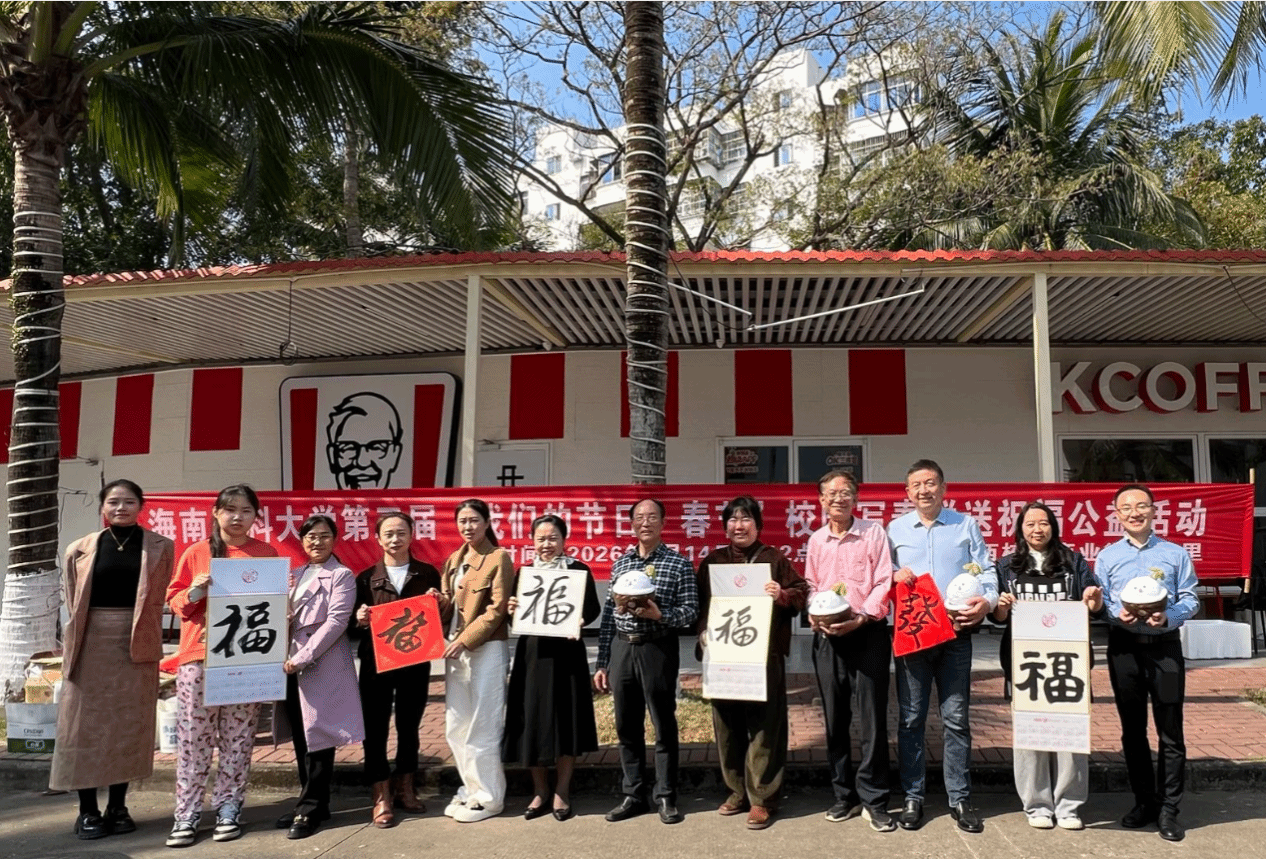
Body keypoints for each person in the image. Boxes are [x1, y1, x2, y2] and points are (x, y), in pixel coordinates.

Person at [51, 479, 175, 839]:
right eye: (114, 502)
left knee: (128, 725)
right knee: (82, 726)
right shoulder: (79, 548)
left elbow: (158, 596)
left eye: (129, 502)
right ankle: (87, 811)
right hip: (90, 641)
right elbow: (73, 601)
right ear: (103, 507)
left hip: (137, 641)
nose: (121, 508)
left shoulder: (161, 546)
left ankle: (118, 807)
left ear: (141, 506)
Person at [164, 485, 279, 848]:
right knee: (193, 739)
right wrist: (196, 591)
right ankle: (187, 813)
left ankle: (229, 807)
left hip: (246, 659)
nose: (237, 517)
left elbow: (271, 609)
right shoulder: (197, 553)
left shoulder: (266, 553)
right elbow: (175, 601)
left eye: (246, 510)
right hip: (199, 657)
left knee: (239, 738)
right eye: (230, 509)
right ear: (216, 513)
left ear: (255, 516)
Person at [888, 459, 997, 834]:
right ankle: (912, 797)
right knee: (911, 719)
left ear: (944, 488)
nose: (924, 490)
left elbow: (987, 571)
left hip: (956, 634)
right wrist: (893, 575)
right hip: (914, 636)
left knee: (956, 718)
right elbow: (879, 574)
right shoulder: (895, 530)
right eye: (916, 485)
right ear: (907, 492)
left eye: (931, 483)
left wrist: (987, 602)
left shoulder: (965, 525)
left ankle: (960, 798)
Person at [696, 495, 808, 831]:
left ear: (757, 525)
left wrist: (782, 594)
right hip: (723, 655)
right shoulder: (713, 562)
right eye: (733, 519)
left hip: (763, 655)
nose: (739, 525)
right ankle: (736, 791)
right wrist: (702, 633)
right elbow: (701, 606)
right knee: (727, 726)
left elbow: (802, 593)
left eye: (746, 519)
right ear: (725, 526)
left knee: (765, 726)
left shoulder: (774, 559)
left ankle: (762, 798)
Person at [1095, 483, 1199, 843]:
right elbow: (1102, 601)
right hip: (1124, 648)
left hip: (1164, 648)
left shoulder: (1175, 554)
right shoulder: (1107, 557)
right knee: (1133, 729)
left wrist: (1169, 616)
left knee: (1171, 731)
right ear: (1117, 515)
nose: (1134, 513)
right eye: (1126, 508)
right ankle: (1144, 802)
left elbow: (1191, 599)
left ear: (1154, 511)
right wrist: (1114, 614)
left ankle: (1169, 809)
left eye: (1141, 506)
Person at [991, 501, 1103, 830]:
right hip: (1025, 662)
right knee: (1031, 731)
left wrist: (1093, 600)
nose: (1037, 529)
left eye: (1044, 523)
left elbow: (1093, 603)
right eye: (1030, 524)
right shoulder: (1006, 565)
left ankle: (1069, 805)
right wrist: (1002, 606)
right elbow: (997, 617)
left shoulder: (1073, 561)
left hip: (1069, 660)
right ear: (1020, 530)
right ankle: (1037, 804)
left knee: (1070, 733)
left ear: (1053, 527)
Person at [594, 497, 699, 825]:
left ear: (663, 523)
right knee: (626, 724)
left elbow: (691, 612)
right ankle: (634, 794)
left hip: (658, 647)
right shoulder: (621, 564)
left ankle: (666, 794)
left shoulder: (678, 563)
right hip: (623, 648)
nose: (646, 522)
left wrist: (660, 615)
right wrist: (602, 661)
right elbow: (608, 616)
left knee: (663, 723)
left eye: (652, 517)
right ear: (632, 524)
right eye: (639, 517)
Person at [804, 471, 895, 832]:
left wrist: (861, 617)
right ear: (821, 500)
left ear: (856, 499)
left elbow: (883, 581)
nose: (838, 498)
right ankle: (844, 795)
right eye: (831, 493)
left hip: (867, 632)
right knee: (835, 718)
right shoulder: (816, 540)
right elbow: (812, 585)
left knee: (872, 718)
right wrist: (815, 612)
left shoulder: (873, 533)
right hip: (828, 637)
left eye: (846, 493)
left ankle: (875, 798)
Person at [503, 514, 602, 822]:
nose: (547, 544)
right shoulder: (525, 572)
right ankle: (540, 790)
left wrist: (580, 619)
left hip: (567, 654)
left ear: (564, 540)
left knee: (565, 719)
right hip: (533, 656)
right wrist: (511, 610)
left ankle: (562, 791)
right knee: (532, 719)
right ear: (532, 541)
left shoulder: (578, 570)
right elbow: (516, 616)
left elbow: (592, 608)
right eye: (541, 539)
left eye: (553, 538)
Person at [351, 510, 442, 828]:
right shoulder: (365, 578)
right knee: (374, 728)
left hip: (415, 662)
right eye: (388, 533)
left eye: (401, 532)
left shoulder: (427, 574)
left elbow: (438, 620)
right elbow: (351, 624)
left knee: (409, 725)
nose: (395, 539)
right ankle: (381, 794)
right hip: (376, 664)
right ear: (377, 539)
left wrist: (440, 603)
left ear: (412, 535)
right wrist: (359, 619)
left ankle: (406, 787)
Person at [278, 515, 366, 839]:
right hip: (290, 664)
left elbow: (336, 622)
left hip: (321, 664)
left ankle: (310, 809)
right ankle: (313, 802)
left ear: (334, 539)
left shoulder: (342, 575)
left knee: (320, 734)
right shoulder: (296, 574)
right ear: (302, 540)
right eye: (311, 536)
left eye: (324, 535)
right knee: (302, 736)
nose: (317, 542)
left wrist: (302, 657)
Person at [438, 499, 514, 823]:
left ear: (486, 522)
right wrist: (437, 600)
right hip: (455, 651)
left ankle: (490, 799)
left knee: (484, 725)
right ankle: (470, 789)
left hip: (486, 650)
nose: (467, 526)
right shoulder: (454, 559)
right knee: (457, 726)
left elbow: (497, 610)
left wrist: (465, 640)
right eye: (462, 521)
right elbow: (448, 605)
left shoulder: (498, 557)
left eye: (473, 520)